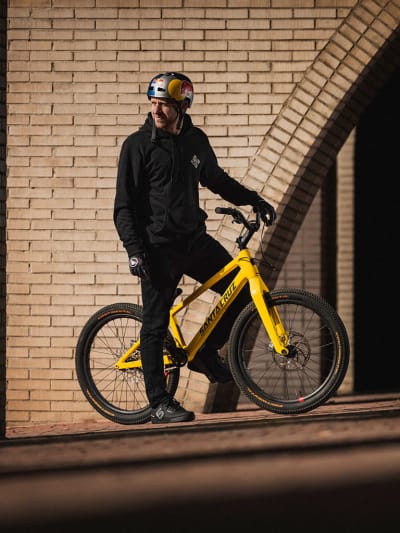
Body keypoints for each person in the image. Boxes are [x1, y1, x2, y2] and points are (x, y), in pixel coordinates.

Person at [114, 72, 276, 424]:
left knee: (240, 293)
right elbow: (123, 206)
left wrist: (254, 200)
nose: (157, 110)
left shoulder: (195, 141)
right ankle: (159, 403)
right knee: (155, 326)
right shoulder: (137, 146)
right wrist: (134, 249)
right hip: (157, 248)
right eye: (153, 103)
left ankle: (204, 352)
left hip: (194, 241)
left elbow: (216, 180)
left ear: (183, 106)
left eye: (164, 104)